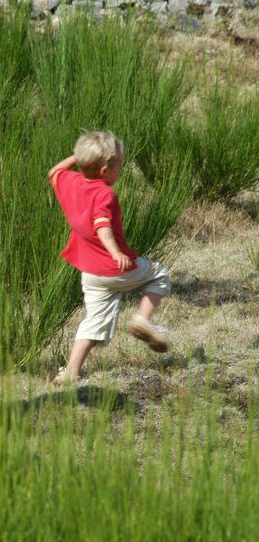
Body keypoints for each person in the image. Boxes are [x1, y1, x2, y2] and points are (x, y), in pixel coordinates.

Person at [48, 131, 171, 386]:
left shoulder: (69, 182)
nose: (120, 170)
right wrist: (116, 252)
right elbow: (101, 225)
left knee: (94, 321)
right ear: (104, 170)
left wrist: (79, 158)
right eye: (119, 166)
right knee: (159, 275)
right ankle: (142, 319)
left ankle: (71, 371)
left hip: (90, 272)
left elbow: (54, 171)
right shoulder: (104, 194)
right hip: (114, 267)